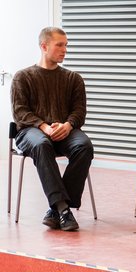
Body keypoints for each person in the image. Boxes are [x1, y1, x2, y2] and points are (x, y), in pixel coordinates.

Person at [10, 27, 94, 231]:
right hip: (30, 131)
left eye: (66, 45)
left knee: (84, 146)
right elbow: (20, 112)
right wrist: (44, 126)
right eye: (60, 45)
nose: (65, 50)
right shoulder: (23, 77)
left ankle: (55, 210)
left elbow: (79, 112)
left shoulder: (73, 78)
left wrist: (67, 125)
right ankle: (64, 209)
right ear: (44, 46)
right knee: (42, 144)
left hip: (64, 131)